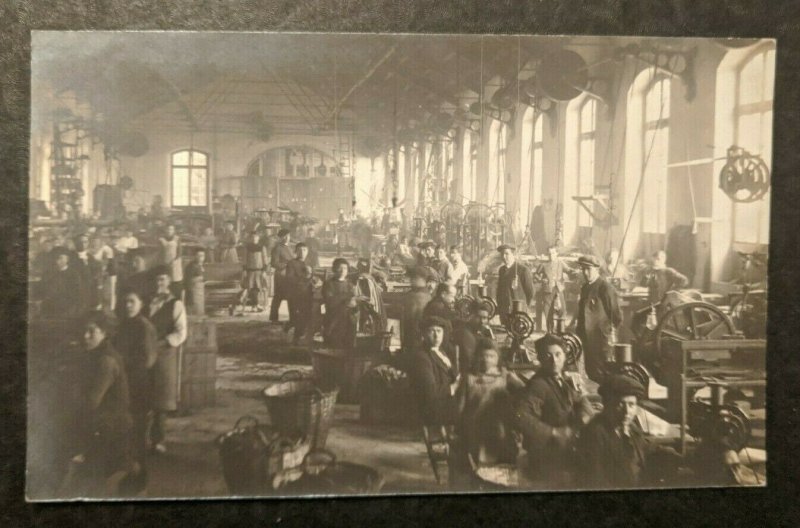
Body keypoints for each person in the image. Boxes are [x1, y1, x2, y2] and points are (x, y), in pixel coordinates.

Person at [515, 334, 594, 489]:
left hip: (564, 450)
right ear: (541, 359)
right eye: (548, 356)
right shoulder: (538, 385)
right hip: (547, 458)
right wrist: (554, 432)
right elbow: (520, 416)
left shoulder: (562, 379)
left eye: (558, 355)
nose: (554, 360)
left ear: (565, 356)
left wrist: (585, 413)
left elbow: (580, 399)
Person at [68, 311, 133, 497]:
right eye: (84, 331)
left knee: (89, 482)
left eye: (91, 331)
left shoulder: (106, 361)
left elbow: (91, 403)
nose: (85, 336)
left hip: (112, 430)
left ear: (105, 333)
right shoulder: (95, 355)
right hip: (103, 424)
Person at [577, 374, 681, 490]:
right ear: (607, 405)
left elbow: (645, 449)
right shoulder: (594, 433)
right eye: (621, 404)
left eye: (631, 405)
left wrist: (676, 455)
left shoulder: (630, 427)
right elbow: (594, 480)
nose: (627, 411)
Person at [114, 290, 158, 494]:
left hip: (139, 386)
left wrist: (122, 361)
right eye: (125, 301)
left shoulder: (144, 327)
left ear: (142, 303)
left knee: (138, 433)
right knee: (126, 432)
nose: (128, 305)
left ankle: (140, 481)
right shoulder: (123, 325)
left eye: (132, 301)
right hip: (124, 385)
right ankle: (129, 475)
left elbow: (147, 360)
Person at [456, 338, 525, 466]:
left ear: (498, 358)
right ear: (476, 357)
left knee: (503, 436)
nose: (487, 359)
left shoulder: (504, 376)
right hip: (476, 425)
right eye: (483, 356)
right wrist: (458, 429)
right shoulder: (469, 378)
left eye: (491, 356)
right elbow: (460, 406)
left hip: (501, 425)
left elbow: (525, 393)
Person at [147, 266, 187, 454]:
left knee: (161, 400)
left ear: (169, 282)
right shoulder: (147, 302)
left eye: (163, 280)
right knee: (145, 394)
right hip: (146, 355)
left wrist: (163, 343)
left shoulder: (176, 304)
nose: (159, 283)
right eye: (157, 280)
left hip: (164, 355)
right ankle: (142, 438)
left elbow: (181, 332)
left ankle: (159, 439)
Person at [575, 255, 623, 383]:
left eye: (588, 269)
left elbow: (616, 316)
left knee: (602, 374)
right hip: (586, 338)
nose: (585, 272)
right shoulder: (585, 288)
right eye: (583, 269)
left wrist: (609, 335)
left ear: (597, 269)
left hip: (601, 340)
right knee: (591, 372)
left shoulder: (605, 288)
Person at [407, 316, 461, 425]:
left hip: (448, 400)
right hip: (435, 407)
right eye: (432, 331)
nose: (436, 336)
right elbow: (430, 392)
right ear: (423, 334)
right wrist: (454, 387)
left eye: (439, 331)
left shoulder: (440, 351)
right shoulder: (421, 357)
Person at [322, 258, 359, 349]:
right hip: (334, 316)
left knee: (349, 340)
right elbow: (330, 300)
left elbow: (354, 299)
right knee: (334, 343)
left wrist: (355, 303)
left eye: (345, 268)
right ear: (334, 269)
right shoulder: (329, 284)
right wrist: (347, 300)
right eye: (340, 268)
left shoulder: (350, 285)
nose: (343, 271)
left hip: (349, 317)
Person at [495, 244, 535, 328]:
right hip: (504, 309)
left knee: (517, 332)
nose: (504, 257)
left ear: (513, 255)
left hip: (518, 309)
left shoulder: (523, 270)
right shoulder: (501, 270)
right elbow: (500, 289)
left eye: (507, 254)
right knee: (506, 330)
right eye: (502, 254)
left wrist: (524, 307)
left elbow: (530, 292)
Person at [451, 302, 496, 376]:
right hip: (470, 374)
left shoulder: (483, 331)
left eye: (485, 318)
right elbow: (469, 362)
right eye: (478, 317)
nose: (482, 321)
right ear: (471, 316)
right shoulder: (465, 334)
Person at [40, 247, 83, 318]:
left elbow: (76, 294)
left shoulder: (73, 274)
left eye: (61, 258)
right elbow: (45, 291)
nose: (58, 261)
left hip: (68, 307)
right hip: (51, 306)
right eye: (56, 258)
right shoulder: (49, 273)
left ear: (67, 259)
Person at [400, 267, 434, 358]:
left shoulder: (415, 297)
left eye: (413, 278)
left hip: (414, 338)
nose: (410, 281)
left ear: (420, 279)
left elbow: (410, 320)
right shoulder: (427, 295)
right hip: (418, 337)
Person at [534, 245, 569, 333]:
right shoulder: (544, 265)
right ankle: (550, 331)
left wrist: (576, 272)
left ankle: (561, 330)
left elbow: (569, 270)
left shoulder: (560, 263)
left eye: (553, 253)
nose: (551, 255)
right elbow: (535, 275)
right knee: (548, 311)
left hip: (558, 289)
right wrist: (542, 279)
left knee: (562, 310)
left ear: (556, 253)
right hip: (547, 290)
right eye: (549, 254)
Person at [285, 242, 314, 345]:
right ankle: (294, 338)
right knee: (296, 317)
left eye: (305, 250)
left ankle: (304, 337)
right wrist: (304, 277)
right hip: (295, 295)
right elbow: (289, 279)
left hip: (308, 294)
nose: (302, 252)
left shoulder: (310, 262)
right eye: (300, 250)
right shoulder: (291, 263)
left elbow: (315, 276)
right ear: (295, 252)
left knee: (308, 315)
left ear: (308, 251)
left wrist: (313, 278)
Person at [236, 231, 269, 314]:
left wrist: (264, 271)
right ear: (250, 238)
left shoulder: (262, 247)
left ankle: (257, 304)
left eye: (256, 237)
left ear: (258, 238)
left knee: (259, 288)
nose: (254, 239)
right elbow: (244, 260)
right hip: (250, 271)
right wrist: (244, 270)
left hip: (259, 271)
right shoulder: (247, 248)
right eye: (253, 237)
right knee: (250, 288)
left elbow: (265, 260)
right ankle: (254, 305)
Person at [71, 233, 103, 313]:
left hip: (89, 291)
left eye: (85, 242)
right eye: (80, 242)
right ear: (76, 243)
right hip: (76, 291)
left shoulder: (90, 257)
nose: (83, 244)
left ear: (88, 243)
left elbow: (95, 276)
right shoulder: (71, 257)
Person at [270, 228, 295, 323]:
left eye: (288, 236)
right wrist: (286, 265)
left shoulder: (289, 248)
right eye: (284, 236)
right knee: (278, 297)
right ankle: (273, 318)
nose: (287, 238)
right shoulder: (277, 248)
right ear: (280, 238)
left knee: (291, 296)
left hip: (289, 275)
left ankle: (292, 318)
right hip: (281, 275)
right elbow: (273, 263)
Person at [158, 224, 183, 299]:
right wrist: (163, 262)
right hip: (165, 263)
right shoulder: (161, 239)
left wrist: (175, 260)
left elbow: (179, 251)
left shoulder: (177, 238)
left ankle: (177, 298)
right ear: (165, 230)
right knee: (166, 280)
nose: (169, 231)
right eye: (168, 229)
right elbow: (160, 252)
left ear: (174, 230)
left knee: (175, 281)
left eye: (171, 229)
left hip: (175, 263)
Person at [184, 248, 206, 316]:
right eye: (199, 256)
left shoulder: (200, 265)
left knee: (200, 313)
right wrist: (190, 297)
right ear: (194, 256)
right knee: (194, 314)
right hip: (193, 294)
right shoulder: (191, 266)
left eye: (202, 256)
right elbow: (188, 282)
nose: (201, 258)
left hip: (199, 293)